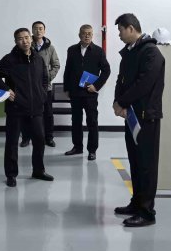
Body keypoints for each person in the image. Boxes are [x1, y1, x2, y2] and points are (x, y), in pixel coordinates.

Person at [113, 13, 165, 227]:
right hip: (131, 116)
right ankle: (136, 203)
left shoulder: (151, 52)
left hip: (146, 116)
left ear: (131, 28)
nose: (119, 35)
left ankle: (147, 212)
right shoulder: (130, 52)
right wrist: (117, 102)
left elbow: (144, 84)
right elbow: (121, 79)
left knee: (146, 165)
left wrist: (122, 101)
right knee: (135, 162)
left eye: (120, 30)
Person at [0, 27, 55, 187]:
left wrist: (42, 95)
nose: (24, 41)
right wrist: (6, 90)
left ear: (31, 39)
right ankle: (11, 175)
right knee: (12, 142)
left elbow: (44, 78)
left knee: (39, 140)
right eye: (20, 38)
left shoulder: (38, 59)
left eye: (26, 37)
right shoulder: (10, 59)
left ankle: (38, 170)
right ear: (16, 41)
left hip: (36, 108)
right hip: (16, 108)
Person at [63, 24, 111, 161]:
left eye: (90, 33)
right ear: (79, 35)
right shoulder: (71, 50)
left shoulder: (98, 51)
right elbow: (68, 70)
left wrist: (96, 86)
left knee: (92, 121)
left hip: (90, 93)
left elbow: (106, 70)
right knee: (76, 121)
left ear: (92, 35)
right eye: (84, 33)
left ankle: (92, 150)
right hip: (75, 92)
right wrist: (66, 88)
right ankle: (77, 147)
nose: (87, 36)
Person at [20, 21, 60, 148]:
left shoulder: (50, 48)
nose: (38, 31)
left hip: (45, 87)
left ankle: (49, 138)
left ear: (44, 31)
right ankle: (26, 138)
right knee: (27, 113)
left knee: (48, 114)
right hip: (28, 88)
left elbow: (56, 65)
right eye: (36, 28)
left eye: (41, 28)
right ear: (32, 31)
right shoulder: (26, 45)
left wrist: (47, 78)